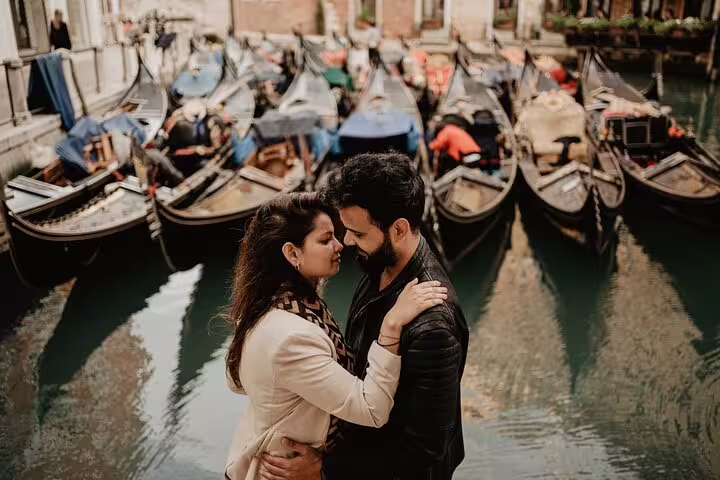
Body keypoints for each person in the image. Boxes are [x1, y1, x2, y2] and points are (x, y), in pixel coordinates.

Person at [259, 153, 469, 480]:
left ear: (398, 229)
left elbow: (424, 451)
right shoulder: (380, 262)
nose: (346, 241)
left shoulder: (433, 326)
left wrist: (324, 468)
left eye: (357, 233)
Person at [225, 192, 448, 480]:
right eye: (325, 239)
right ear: (292, 253)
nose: (340, 245)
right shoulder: (290, 337)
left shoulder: (270, 303)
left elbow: (238, 382)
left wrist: (287, 403)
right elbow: (371, 409)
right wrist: (390, 328)